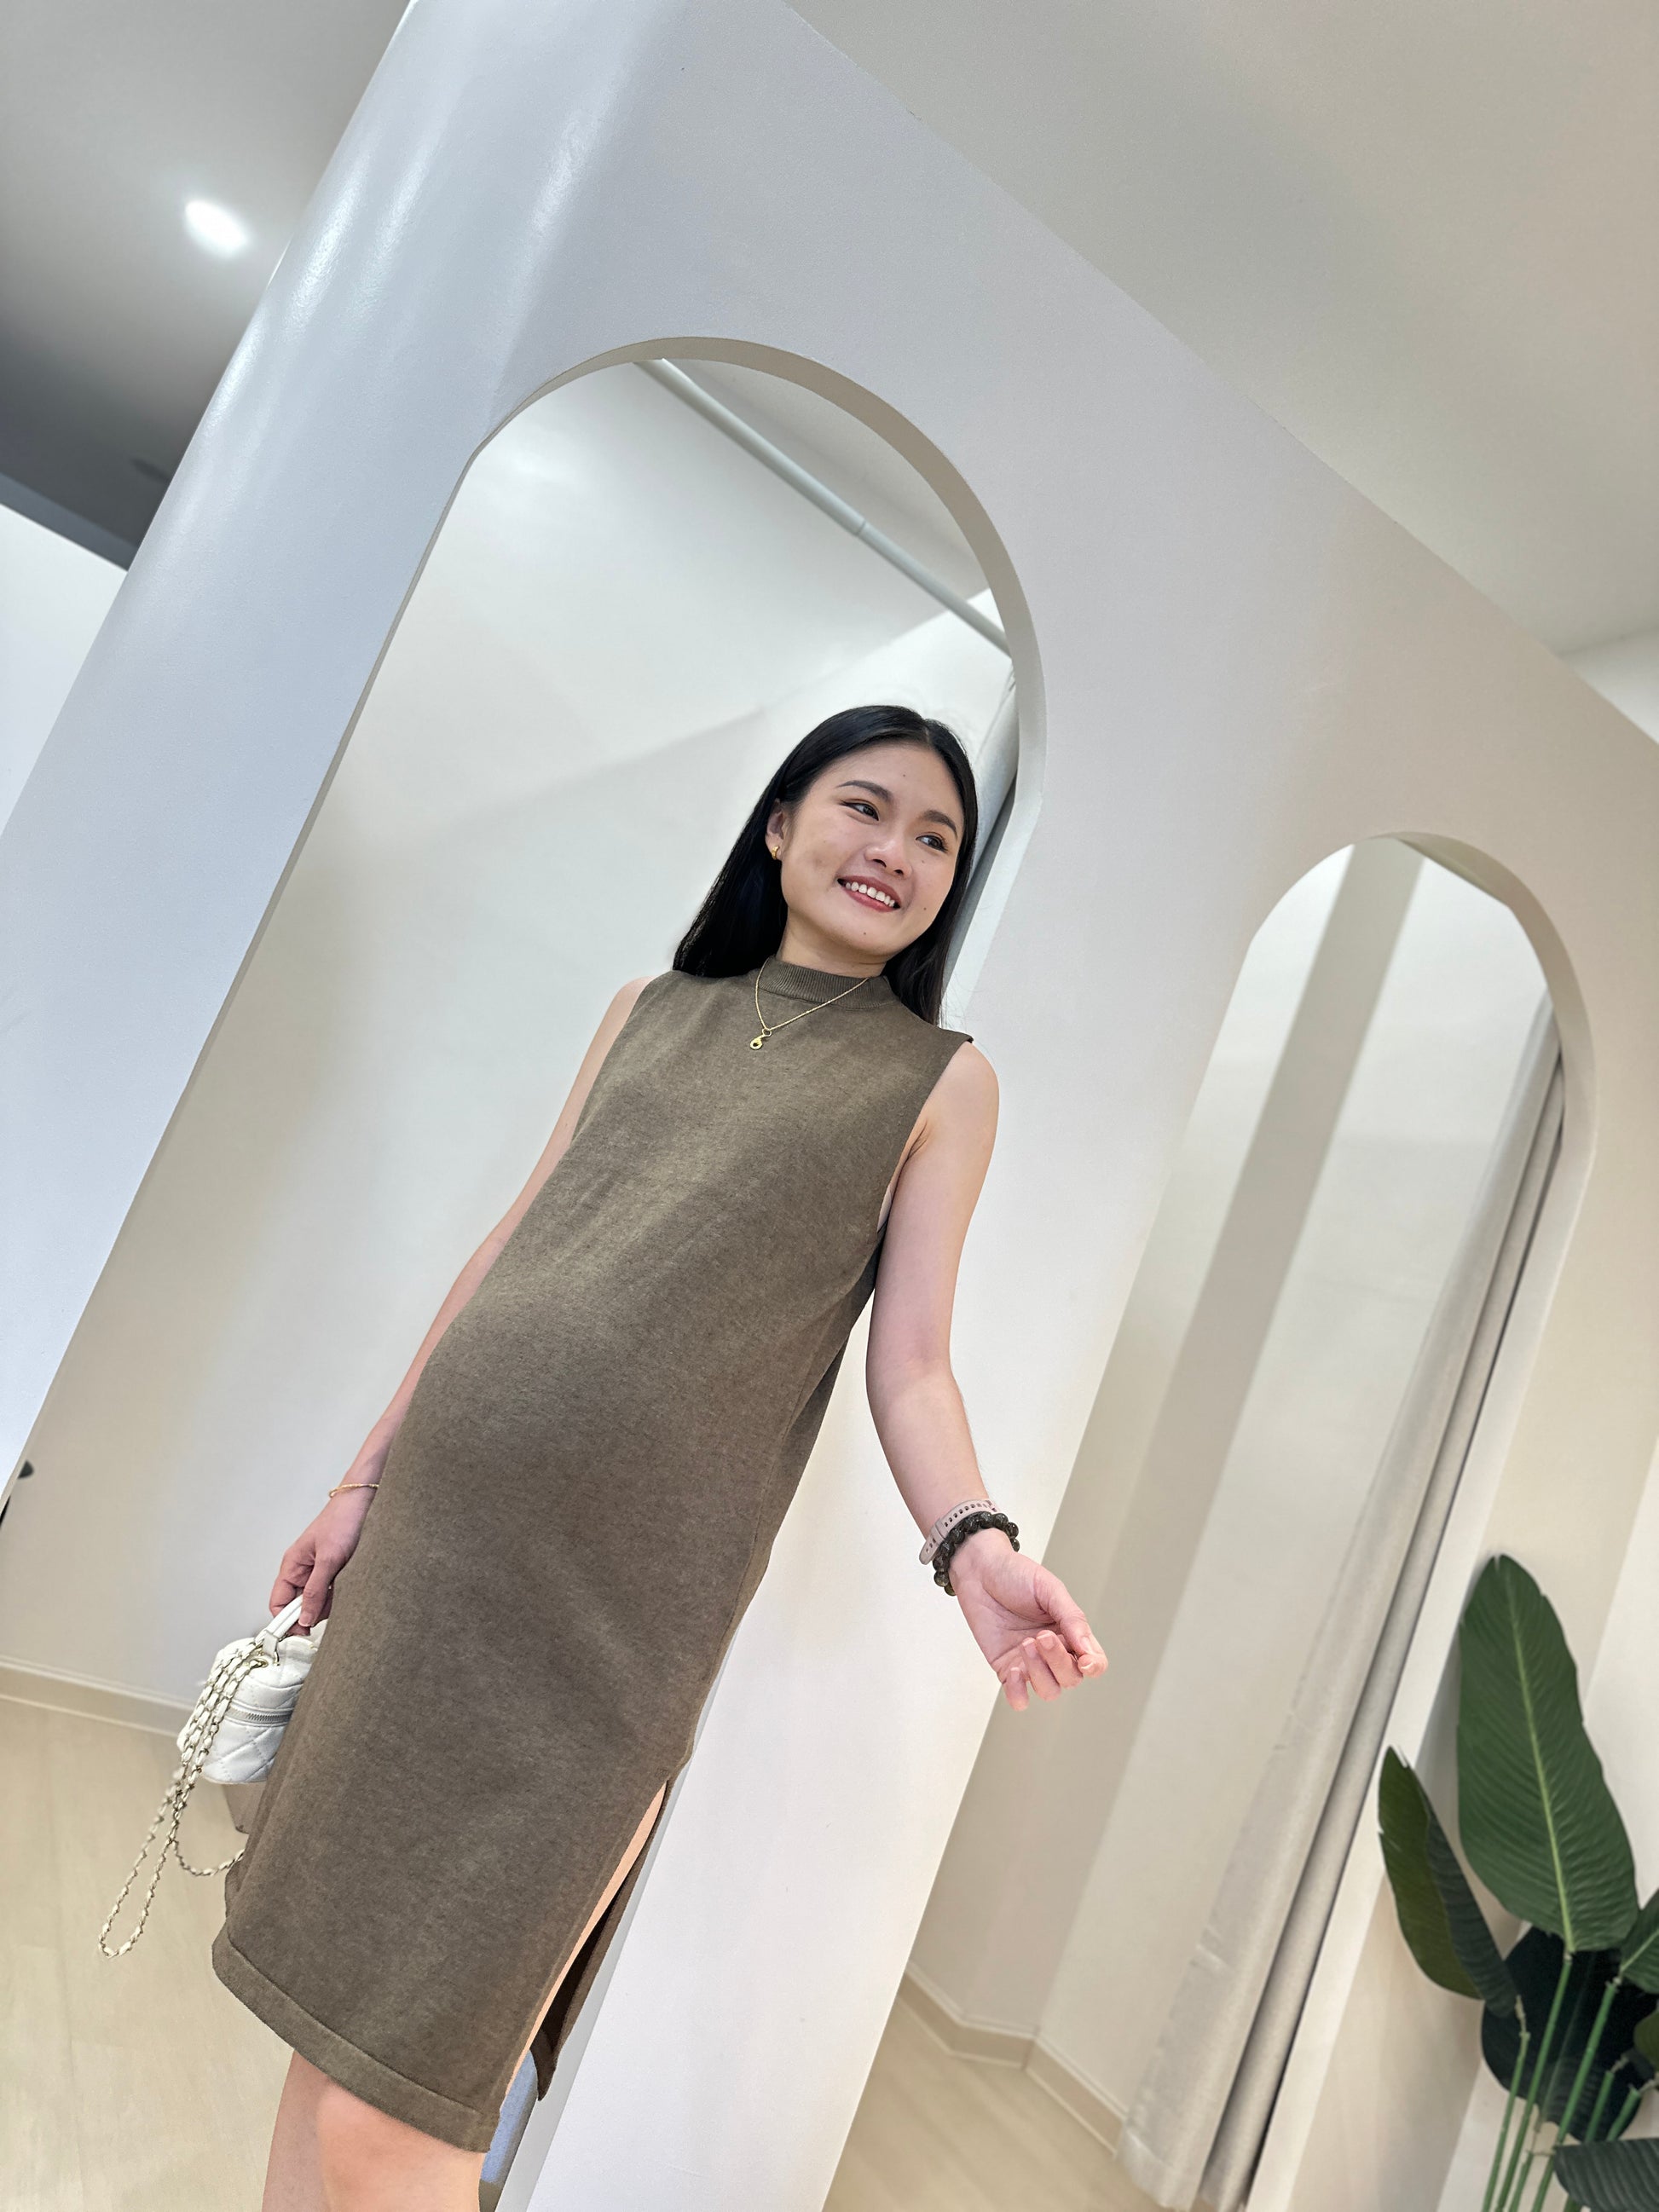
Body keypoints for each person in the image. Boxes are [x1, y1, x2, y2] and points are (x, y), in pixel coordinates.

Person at [217, 702, 1107, 2211]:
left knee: (408, 2098)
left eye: (935, 837)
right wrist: (360, 1482)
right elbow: (516, 1241)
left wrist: (974, 1543)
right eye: (864, 807)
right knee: (330, 2038)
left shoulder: (938, 1082)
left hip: (612, 1624)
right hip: (438, 1548)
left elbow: (910, 1365)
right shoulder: (648, 1007)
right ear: (781, 823)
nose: (894, 851)